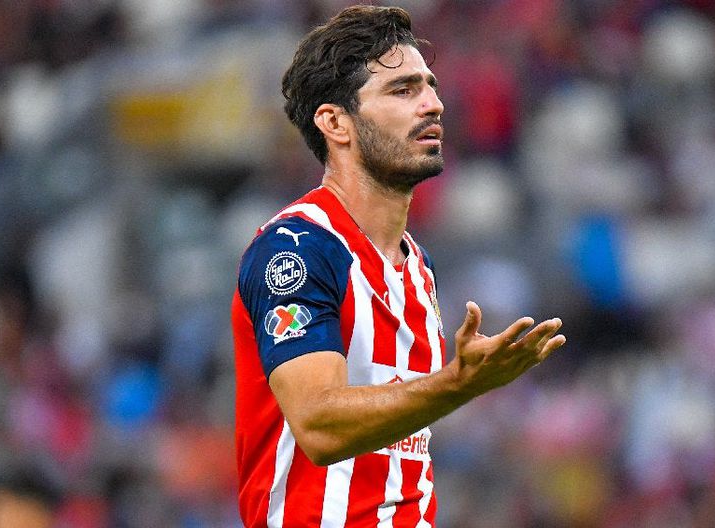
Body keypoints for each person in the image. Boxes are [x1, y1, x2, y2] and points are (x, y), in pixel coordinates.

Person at [231, 5, 566, 527]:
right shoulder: (296, 249)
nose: (433, 104)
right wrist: (460, 383)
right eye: (403, 90)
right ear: (335, 123)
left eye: (430, 87)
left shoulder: (417, 267)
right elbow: (318, 427)